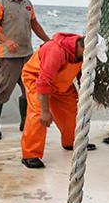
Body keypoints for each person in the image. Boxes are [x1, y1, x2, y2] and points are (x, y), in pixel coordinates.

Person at [0, 0, 49, 140]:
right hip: (8, 57)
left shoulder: (28, 4)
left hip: (28, 56)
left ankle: (25, 122)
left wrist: (48, 41)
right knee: (1, 92)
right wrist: (7, 41)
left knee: (30, 91)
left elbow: (34, 24)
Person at [20, 32, 95, 168]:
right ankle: (30, 155)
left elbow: (80, 72)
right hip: (37, 79)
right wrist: (45, 111)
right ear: (83, 49)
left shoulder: (80, 51)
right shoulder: (56, 51)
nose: (92, 57)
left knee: (72, 109)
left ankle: (71, 141)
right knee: (38, 115)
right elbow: (43, 82)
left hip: (60, 83)